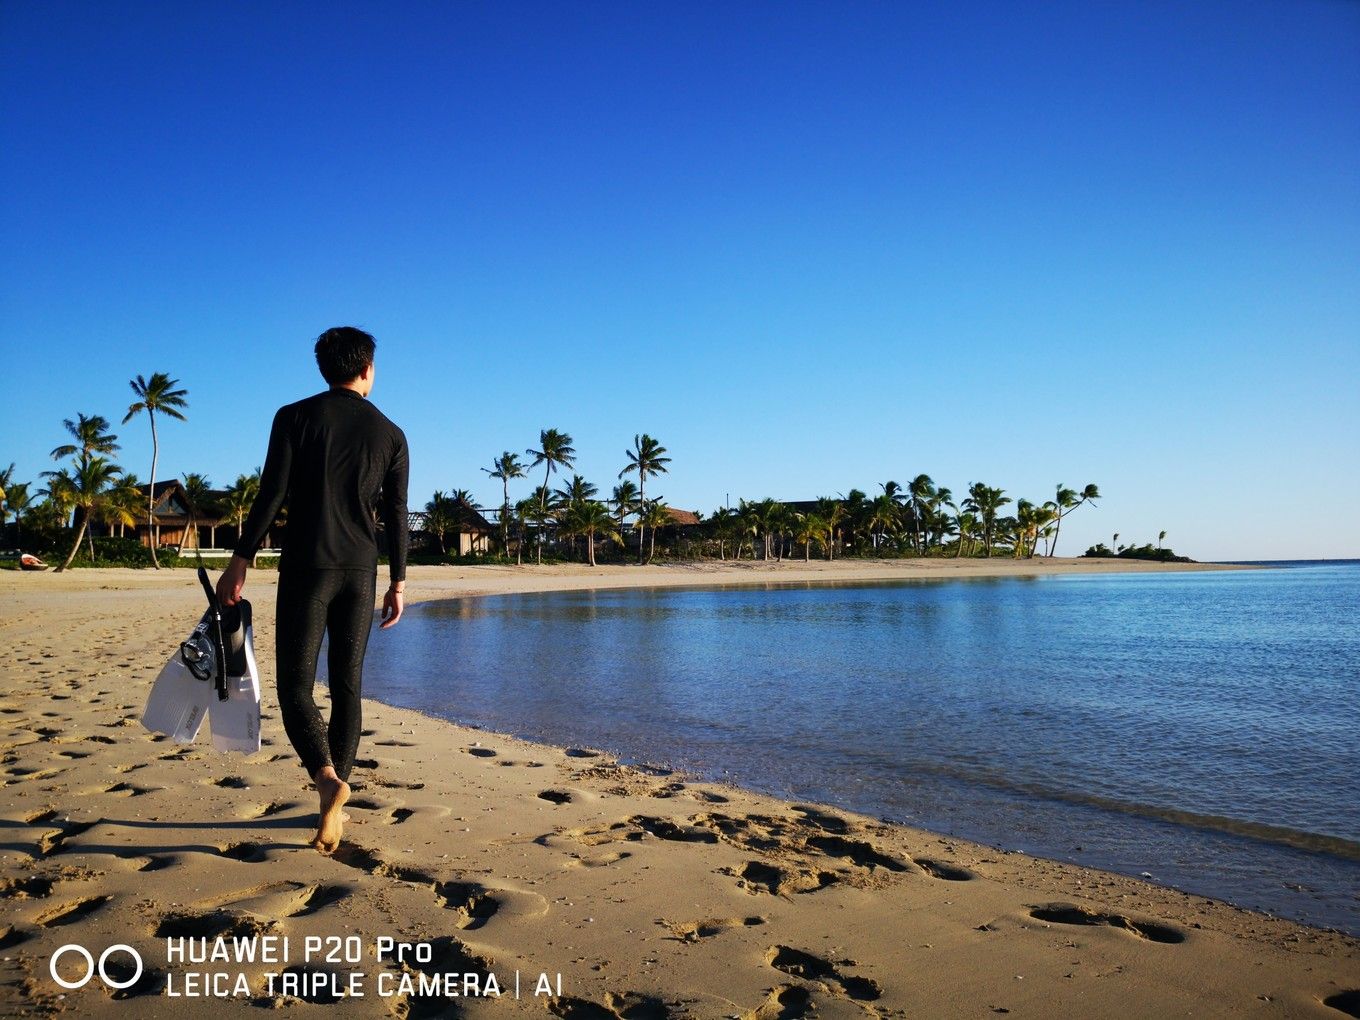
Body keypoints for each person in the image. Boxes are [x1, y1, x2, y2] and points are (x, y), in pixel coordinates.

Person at [217, 326, 408, 854]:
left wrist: (240, 560)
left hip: (307, 566)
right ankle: (334, 798)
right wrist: (398, 581)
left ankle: (326, 778)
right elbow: (395, 514)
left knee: (296, 686)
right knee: (347, 687)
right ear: (367, 368)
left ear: (324, 368)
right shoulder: (391, 433)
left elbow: (271, 493)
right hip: (361, 570)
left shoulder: (293, 417)